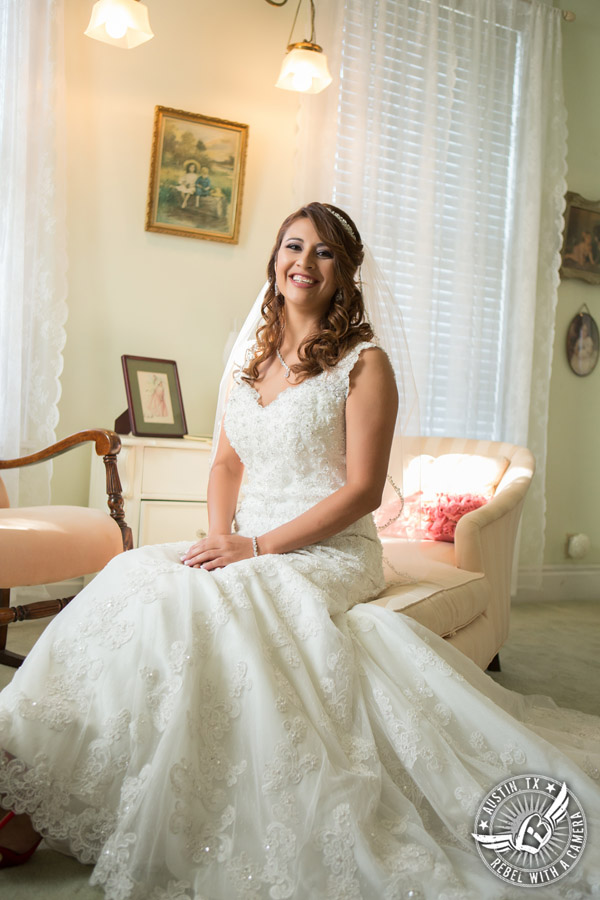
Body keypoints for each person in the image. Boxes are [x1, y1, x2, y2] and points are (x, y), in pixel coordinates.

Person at [0, 203, 598, 900]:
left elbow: (364, 490)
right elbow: (224, 466)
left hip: (328, 550)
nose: (304, 263)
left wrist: (255, 546)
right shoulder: (251, 360)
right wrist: (221, 537)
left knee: (203, 605)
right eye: (294, 247)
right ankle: (31, 769)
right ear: (274, 263)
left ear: (343, 273)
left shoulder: (364, 366)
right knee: (132, 574)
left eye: (323, 253)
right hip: (243, 541)